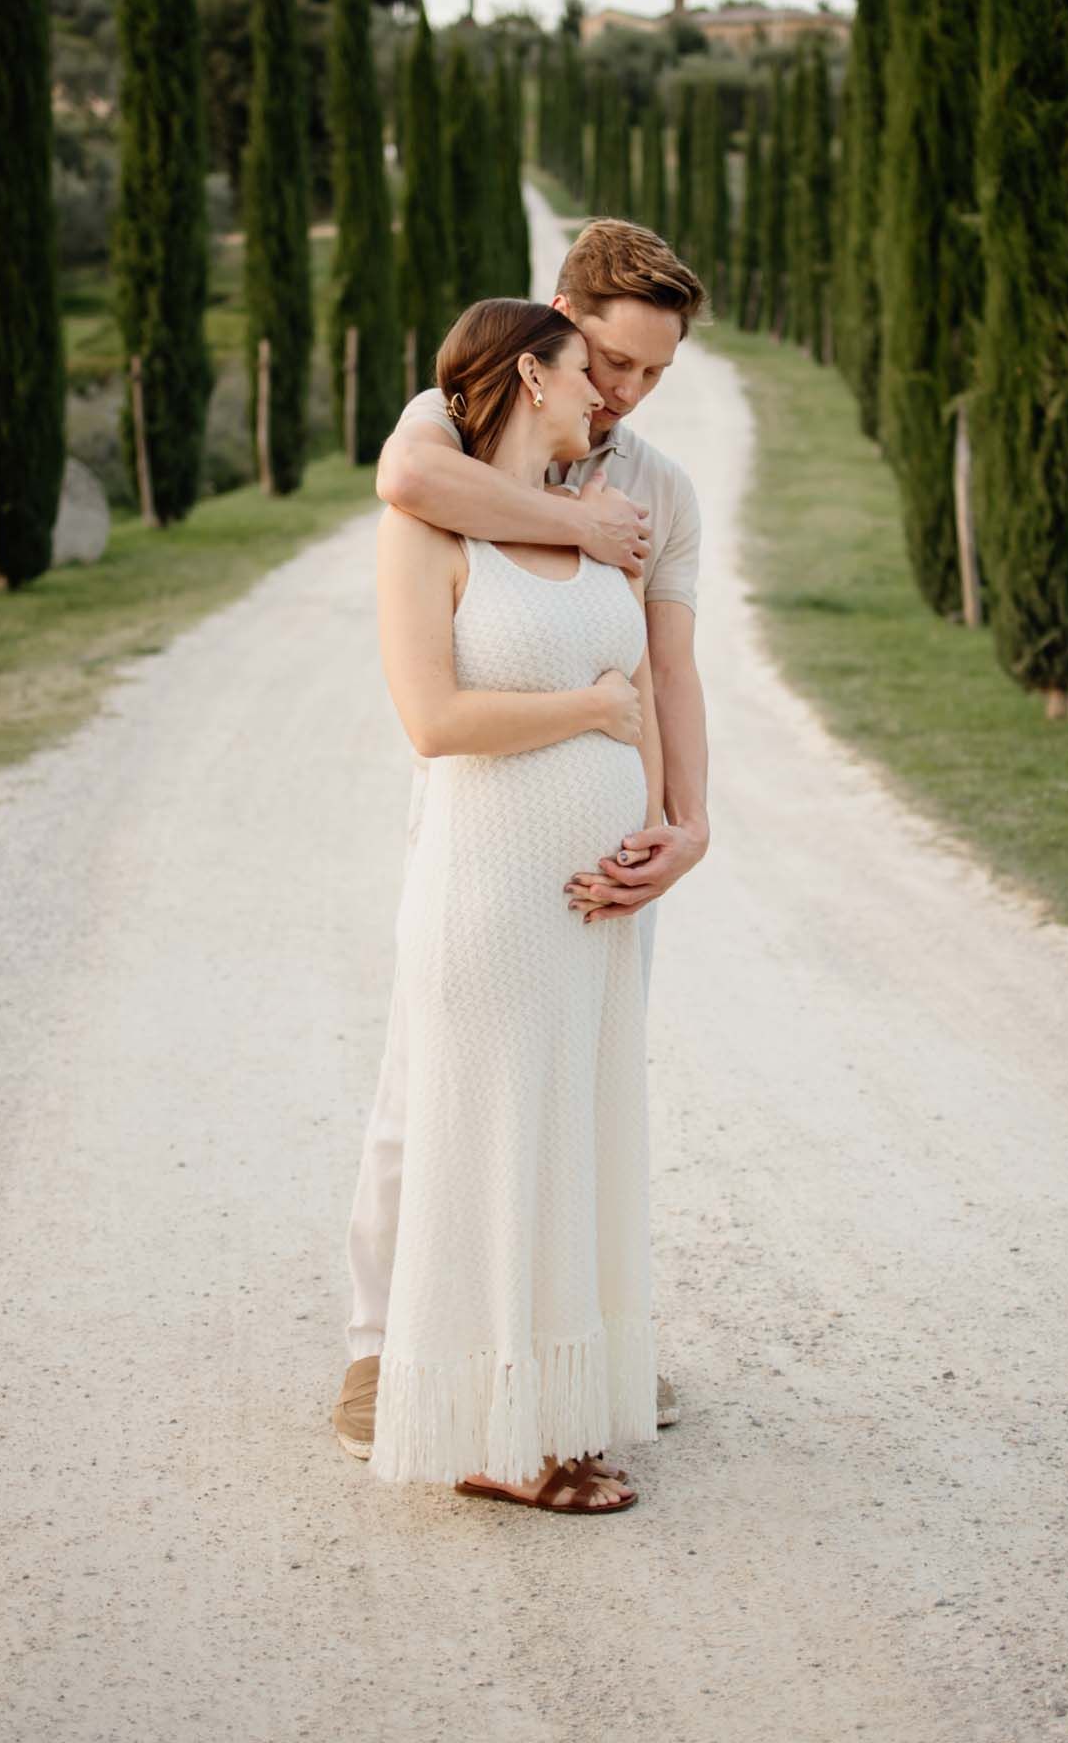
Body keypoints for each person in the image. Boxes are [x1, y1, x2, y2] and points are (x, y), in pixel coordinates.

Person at [334, 220, 710, 1475]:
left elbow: (669, 667)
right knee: (427, 1082)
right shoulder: (446, 416)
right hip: (485, 821)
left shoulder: (659, 484)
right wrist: (580, 534)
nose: (623, 393)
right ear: (556, 322)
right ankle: (387, 1345)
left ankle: (582, 1340)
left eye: (653, 373)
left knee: (588, 1084)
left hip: (613, 842)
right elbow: (409, 490)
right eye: (608, 358)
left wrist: (685, 827)